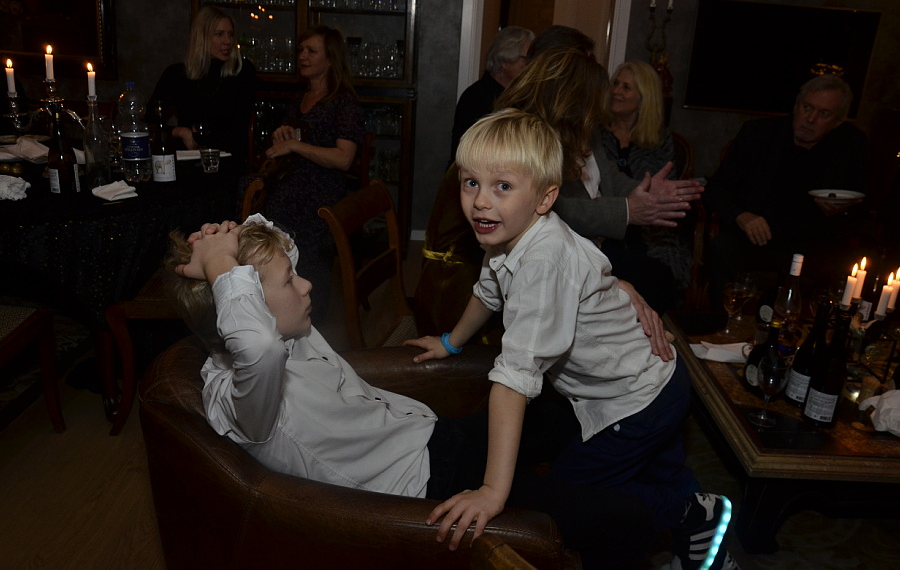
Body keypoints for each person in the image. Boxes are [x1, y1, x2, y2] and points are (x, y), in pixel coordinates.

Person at [168, 213, 659, 569]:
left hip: (432, 438)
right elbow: (256, 344)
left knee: (562, 414)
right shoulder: (242, 396)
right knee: (629, 521)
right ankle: (669, 515)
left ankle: (620, 469)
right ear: (244, 307)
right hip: (432, 487)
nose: (306, 284)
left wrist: (228, 241)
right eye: (289, 281)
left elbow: (280, 255)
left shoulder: (284, 328)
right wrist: (223, 267)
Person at [405, 109, 735, 570]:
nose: (480, 201)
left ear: (545, 198)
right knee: (660, 471)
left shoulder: (541, 263)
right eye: (471, 182)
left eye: (503, 186)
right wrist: (451, 342)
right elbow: (488, 292)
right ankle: (707, 542)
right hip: (660, 378)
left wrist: (492, 491)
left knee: (574, 492)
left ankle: (688, 515)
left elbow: (513, 380)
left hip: (634, 400)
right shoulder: (509, 234)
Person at [414, 48, 701, 337]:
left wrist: (645, 192)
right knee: (650, 278)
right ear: (574, 101)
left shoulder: (582, 134)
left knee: (653, 276)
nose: (602, 107)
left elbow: (605, 179)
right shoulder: (521, 146)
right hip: (468, 273)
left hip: (577, 251)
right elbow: (559, 213)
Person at [703, 74, 868, 306]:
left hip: (815, 245)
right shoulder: (758, 134)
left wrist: (843, 209)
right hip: (757, 240)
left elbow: (865, 207)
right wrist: (742, 216)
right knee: (722, 248)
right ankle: (724, 320)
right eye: (807, 107)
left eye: (823, 114)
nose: (810, 119)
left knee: (855, 264)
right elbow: (715, 190)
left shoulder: (852, 145)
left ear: (838, 122)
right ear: (796, 106)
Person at [262, 25, 365, 322]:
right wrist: (284, 134)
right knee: (255, 198)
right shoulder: (303, 98)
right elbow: (294, 139)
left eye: (311, 51)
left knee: (284, 217)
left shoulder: (344, 101)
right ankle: (276, 306)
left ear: (330, 59)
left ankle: (308, 316)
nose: (302, 56)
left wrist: (295, 145)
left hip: (323, 188)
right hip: (295, 180)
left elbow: (344, 159)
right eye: (301, 50)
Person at [598, 60, 691, 309]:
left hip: (650, 232)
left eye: (626, 87)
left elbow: (664, 192)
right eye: (615, 84)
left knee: (660, 274)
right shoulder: (595, 133)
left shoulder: (659, 140)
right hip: (606, 228)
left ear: (643, 98)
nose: (616, 91)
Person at [147, 6, 256, 164]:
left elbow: (239, 128)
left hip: (227, 159)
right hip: (188, 158)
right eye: (219, 34)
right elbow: (149, 123)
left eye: (231, 34)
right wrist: (180, 132)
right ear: (202, 37)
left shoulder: (242, 71)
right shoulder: (177, 74)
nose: (228, 41)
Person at [450, 25, 534, 157]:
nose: (531, 65)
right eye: (526, 59)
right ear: (505, 61)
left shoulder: (522, 94)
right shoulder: (476, 98)